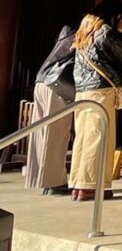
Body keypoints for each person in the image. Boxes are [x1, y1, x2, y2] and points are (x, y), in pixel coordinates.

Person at [68, 0, 122, 202]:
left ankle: (78, 183)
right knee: (99, 137)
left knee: (83, 137)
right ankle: (91, 187)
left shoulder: (83, 31)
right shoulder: (104, 31)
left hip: (82, 91)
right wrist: (121, 31)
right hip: (101, 90)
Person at [24, 23, 76, 194]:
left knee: (40, 133)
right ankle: (54, 182)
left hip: (42, 81)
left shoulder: (64, 39)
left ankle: (39, 177)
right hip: (58, 86)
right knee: (56, 134)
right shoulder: (81, 37)